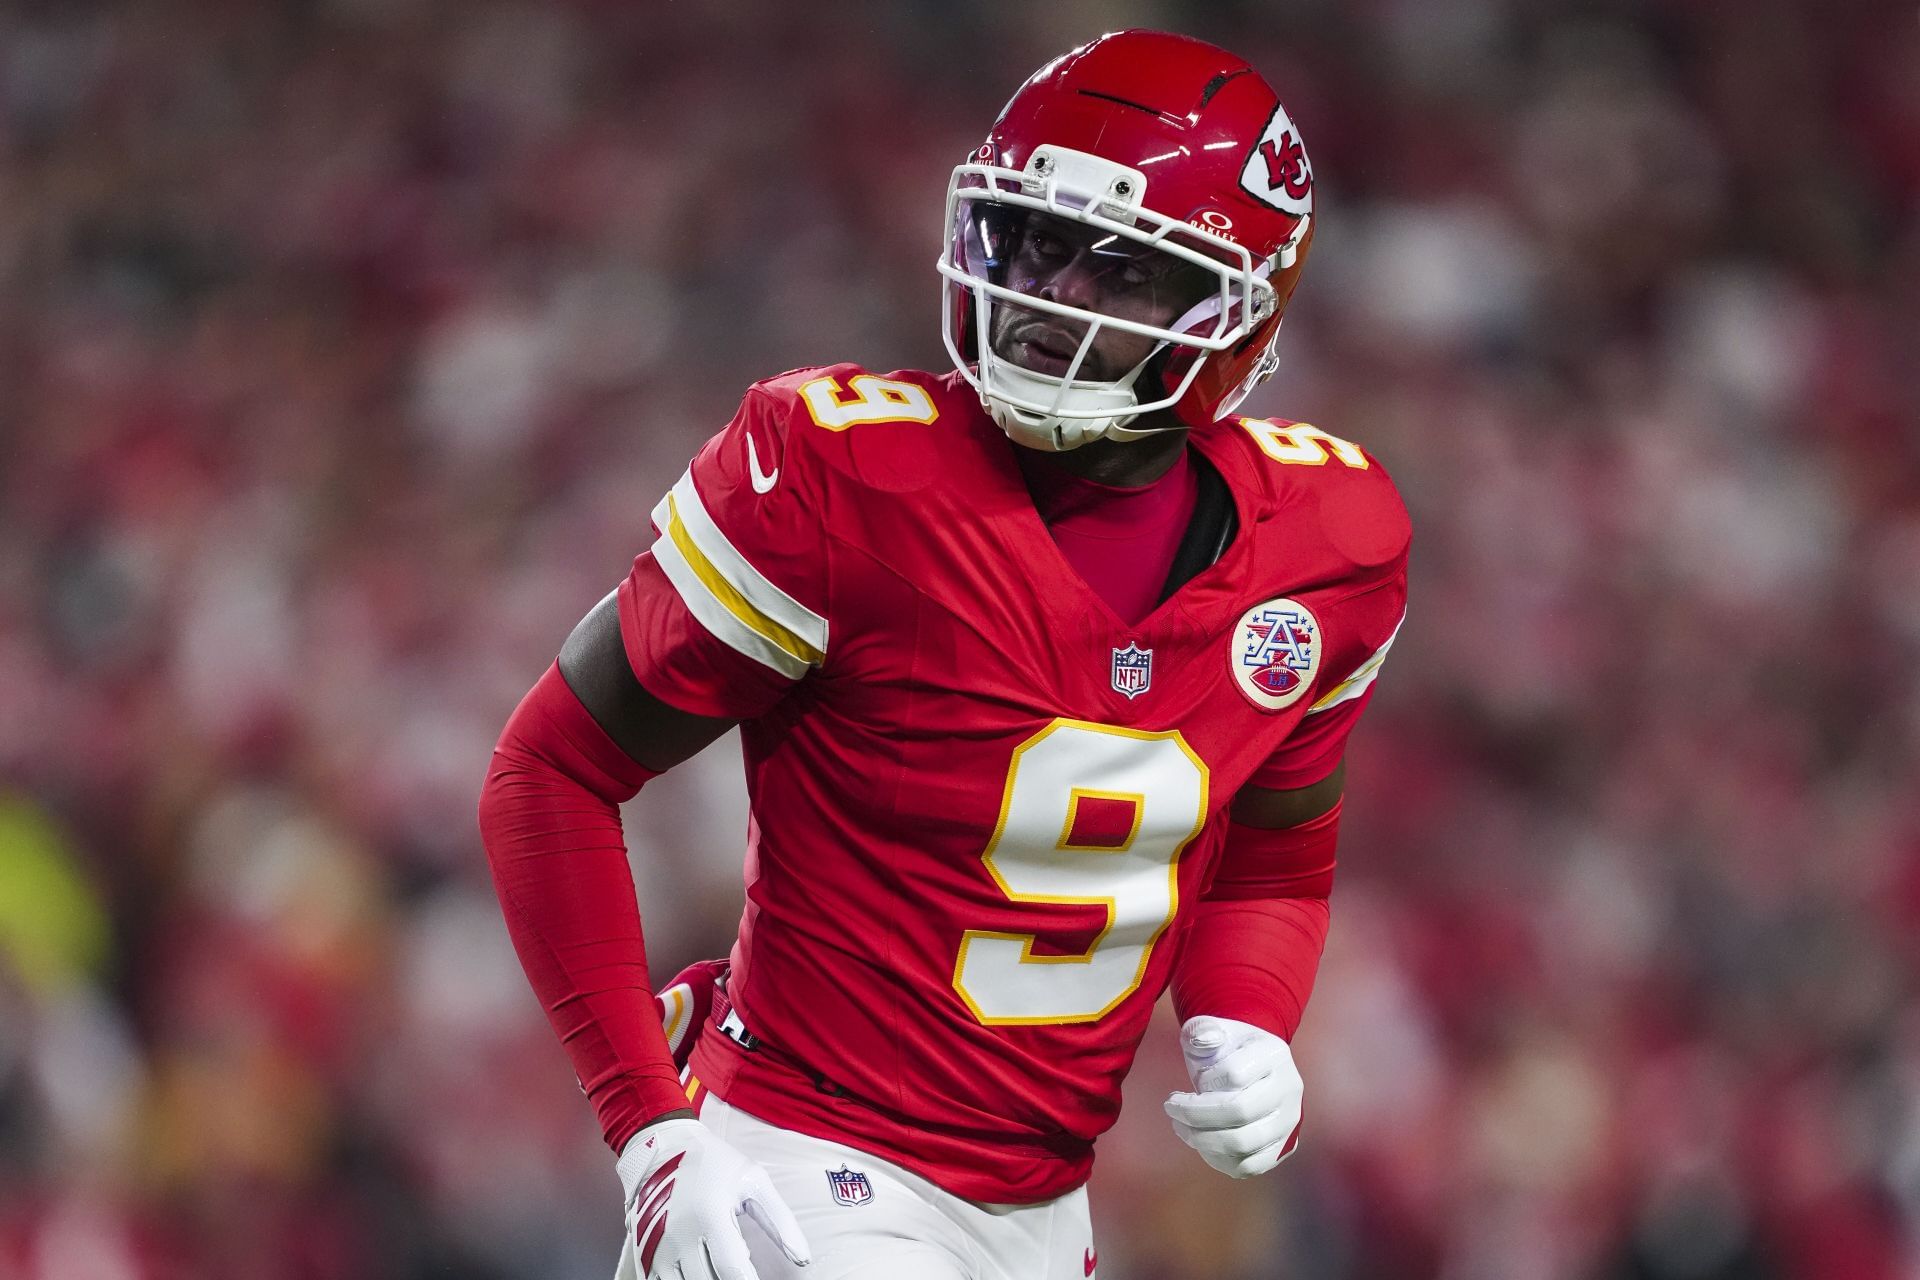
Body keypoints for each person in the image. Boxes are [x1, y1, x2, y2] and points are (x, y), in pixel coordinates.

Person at [478, 28, 1409, 1280]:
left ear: (1231, 317)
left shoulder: (1328, 543)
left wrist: (1248, 1013)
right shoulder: (843, 472)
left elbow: (1279, 848)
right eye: (1031, 243)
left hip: (1041, 1208)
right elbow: (549, 771)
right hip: (803, 1160)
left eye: (1118, 269)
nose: (1050, 298)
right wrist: (649, 1128)